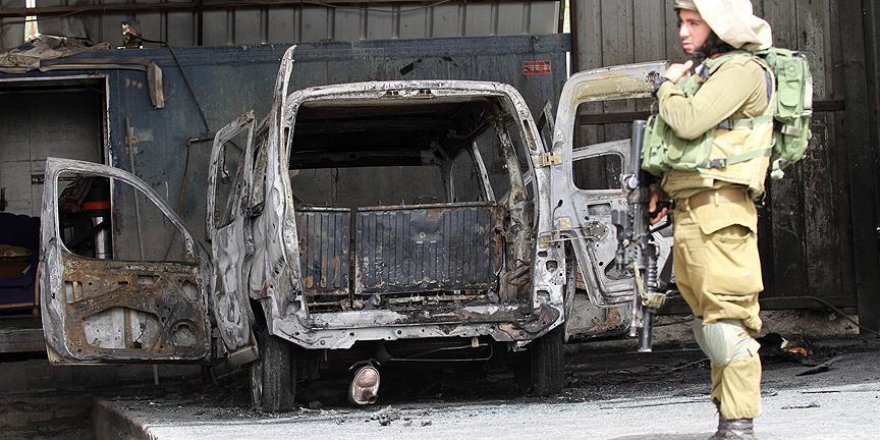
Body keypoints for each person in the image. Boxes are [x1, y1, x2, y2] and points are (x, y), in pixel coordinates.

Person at [648, 1, 775, 438]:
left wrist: (665, 87)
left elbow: (688, 122)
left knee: (726, 323)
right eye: (681, 22)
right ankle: (728, 421)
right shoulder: (711, 71)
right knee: (709, 326)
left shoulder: (741, 70)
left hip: (720, 212)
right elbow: (690, 147)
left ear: (721, 24)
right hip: (693, 211)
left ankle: (739, 427)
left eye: (694, 22)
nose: (684, 32)